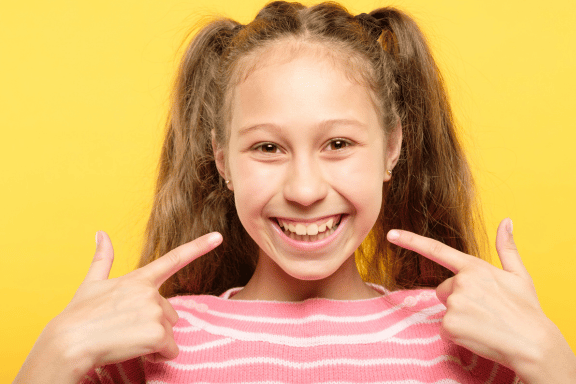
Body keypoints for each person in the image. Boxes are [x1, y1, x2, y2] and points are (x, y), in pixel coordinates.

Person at [14, 1, 576, 383]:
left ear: (392, 149)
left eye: (337, 143)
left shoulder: (473, 337)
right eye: (267, 148)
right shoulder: (144, 339)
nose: (305, 189)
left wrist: (552, 360)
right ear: (221, 160)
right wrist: (54, 355)